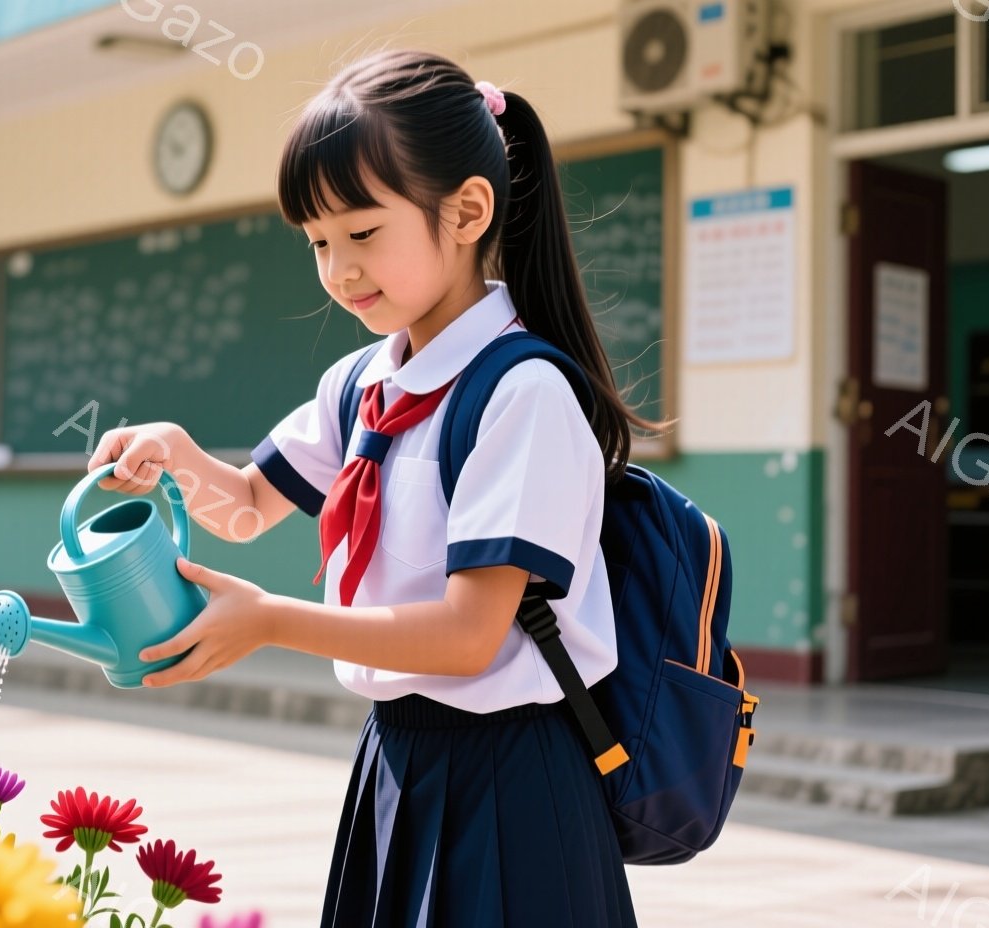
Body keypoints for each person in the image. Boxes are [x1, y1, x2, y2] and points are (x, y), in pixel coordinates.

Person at [87, 48, 657, 926]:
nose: (338, 271)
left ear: (467, 211)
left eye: (361, 233)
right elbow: (246, 507)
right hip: (397, 759)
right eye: (318, 242)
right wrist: (179, 454)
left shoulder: (524, 393)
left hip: (512, 780)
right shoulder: (363, 384)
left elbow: (472, 636)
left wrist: (271, 621)